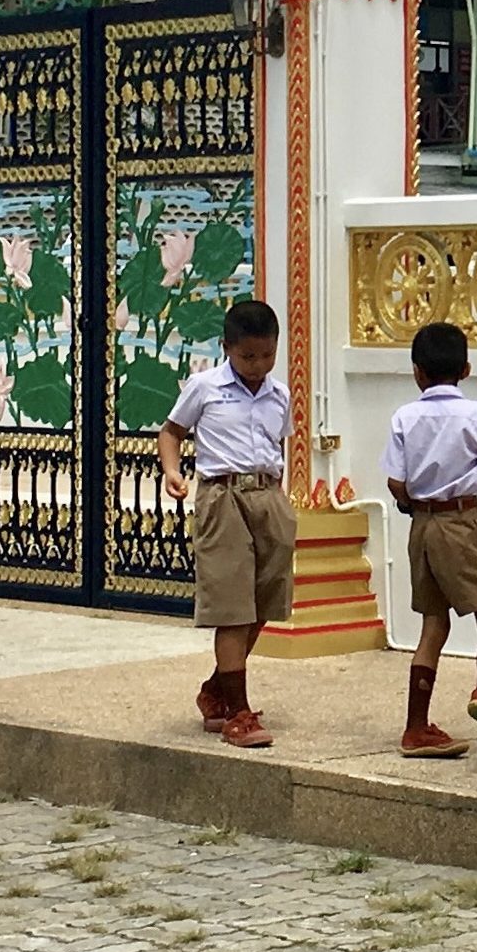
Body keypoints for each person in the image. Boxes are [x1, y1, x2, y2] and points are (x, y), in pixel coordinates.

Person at [157, 298, 296, 750]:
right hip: (223, 496)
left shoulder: (279, 394)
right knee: (233, 606)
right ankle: (238, 712)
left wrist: (279, 495)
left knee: (265, 602)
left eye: (267, 355)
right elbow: (171, 432)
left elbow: (279, 445)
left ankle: (216, 690)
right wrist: (172, 471)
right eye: (247, 356)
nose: (258, 365)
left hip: (267, 496)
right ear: (227, 348)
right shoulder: (205, 387)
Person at [380, 319, 477, 759]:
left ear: (417, 372)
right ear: (466, 369)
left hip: (422, 526)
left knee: (433, 625)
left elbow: (395, 481)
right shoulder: (476, 414)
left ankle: (416, 727)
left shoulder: (405, 416)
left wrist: (412, 500)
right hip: (461, 521)